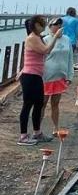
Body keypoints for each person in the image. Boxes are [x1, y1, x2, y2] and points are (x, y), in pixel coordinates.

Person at [18, 15, 62, 144]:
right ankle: (23, 136)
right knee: (27, 105)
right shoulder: (31, 38)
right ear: (34, 25)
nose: (42, 26)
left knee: (39, 104)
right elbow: (46, 51)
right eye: (40, 24)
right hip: (30, 76)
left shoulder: (38, 38)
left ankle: (37, 133)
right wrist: (55, 36)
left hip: (37, 76)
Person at [42, 17, 73, 131]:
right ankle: (38, 128)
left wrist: (70, 75)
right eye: (55, 24)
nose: (59, 26)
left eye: (60, 24)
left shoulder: (67, 40)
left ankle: (55, 127)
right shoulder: (45, 39)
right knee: (43, 103)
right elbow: (42, 57)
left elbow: (70, 58)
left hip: (60, 76)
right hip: (46, 76)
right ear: (50, 27)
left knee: (55, 103)